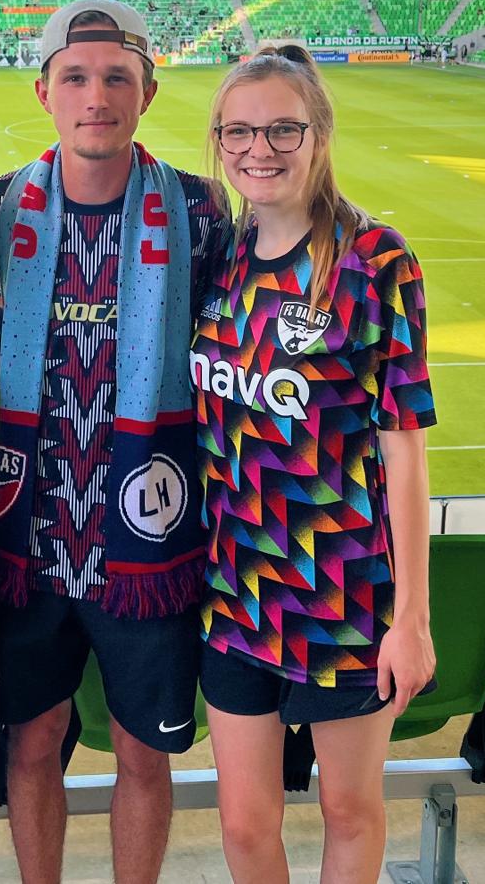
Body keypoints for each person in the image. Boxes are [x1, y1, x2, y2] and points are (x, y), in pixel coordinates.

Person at [0, 0, 226, 884]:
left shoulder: (198, 209)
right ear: (44, 89)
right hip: (29, 539)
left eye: (117, 77)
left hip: (147, 538)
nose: (96, 95)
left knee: (139, 750)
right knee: (33, 740)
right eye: (76, 77)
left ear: (147, 92)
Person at [190, 44, 435, 884]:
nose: (260, 149)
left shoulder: (375, 262)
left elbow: (405, 449)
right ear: (219, 141)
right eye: (239, 132)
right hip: (236, 588)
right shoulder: (220, 255)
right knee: (245, 824)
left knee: (348, 811)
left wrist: (412, 618)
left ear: (320, 133)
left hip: (344, 592)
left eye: (282, 129)